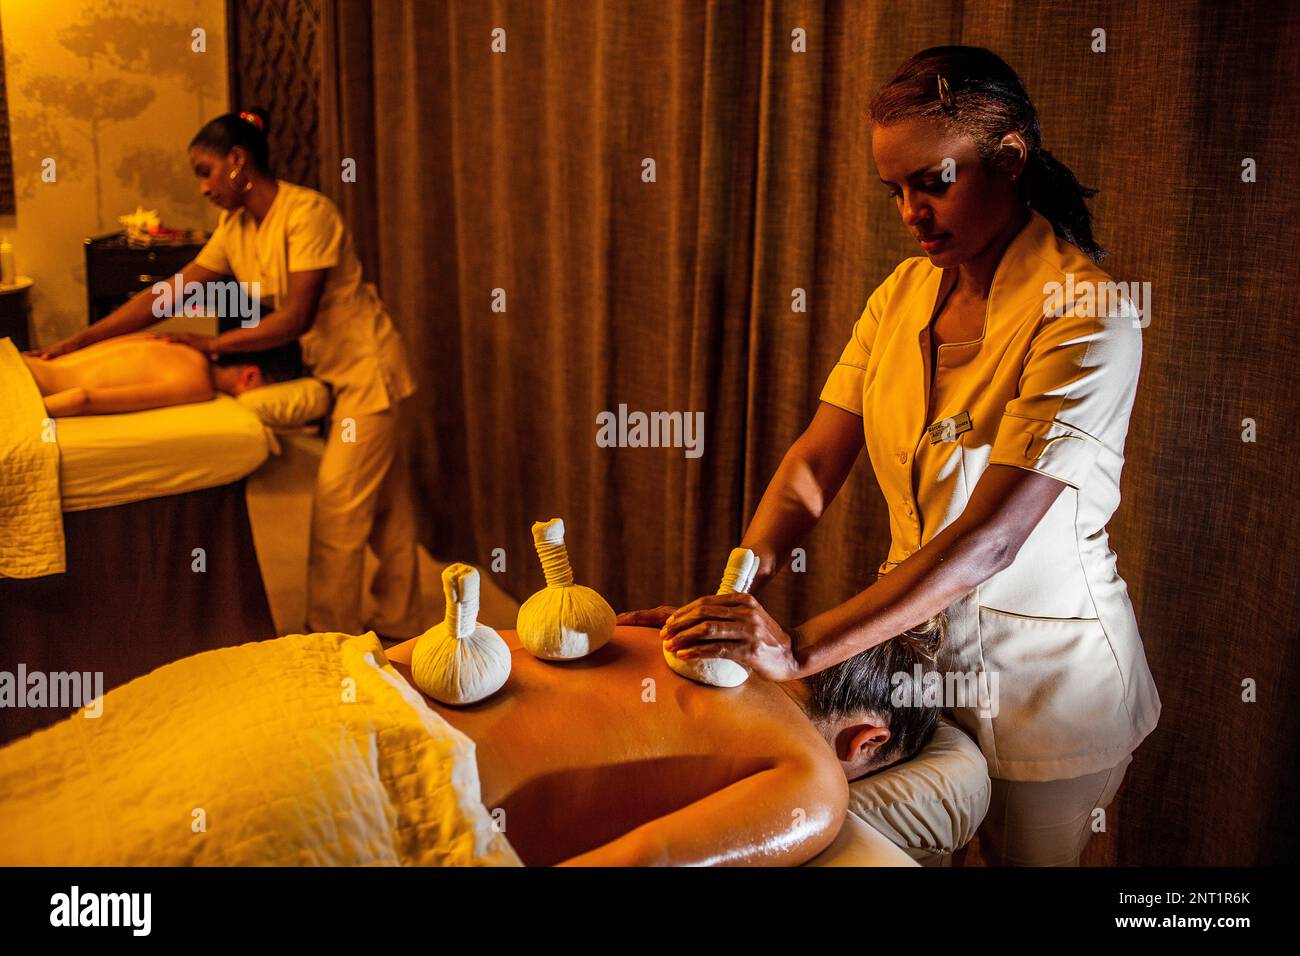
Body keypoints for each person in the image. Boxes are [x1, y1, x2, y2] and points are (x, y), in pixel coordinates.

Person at [622, 46, 1161, 866]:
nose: (912, 211)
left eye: (933, 182)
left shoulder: (1086, 313)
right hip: (912, 666)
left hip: (1047, 689)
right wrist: (733, 598)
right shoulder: (903, 293)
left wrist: (795, 651)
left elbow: (991, 541)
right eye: (896, 190)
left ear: (1009, 159)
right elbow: (813, 463)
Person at [30, 109, 423, 640]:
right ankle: (402, 620)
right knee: (388, 508)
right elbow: (170, 291)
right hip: (337, 369)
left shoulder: (309, 213)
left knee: (338, 507)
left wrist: (212, 345)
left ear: (238, 161)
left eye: (205, 170)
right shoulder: (234, 228)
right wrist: (85, 337)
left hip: (368, 370)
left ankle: (331, 641)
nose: (203, 186)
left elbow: (296, 316)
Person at [382, 621, 943, 866]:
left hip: (347, 678)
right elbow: (649, 862)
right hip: (384, 795)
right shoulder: (813, 780)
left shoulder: (672, 635)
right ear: (869, 741)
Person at [22, 334, 298, 417]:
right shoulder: (198, 384)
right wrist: (21, 417)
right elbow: (83, 399)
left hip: (17, 361)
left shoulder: (175, 340)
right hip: (24, 386)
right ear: (250, 377)